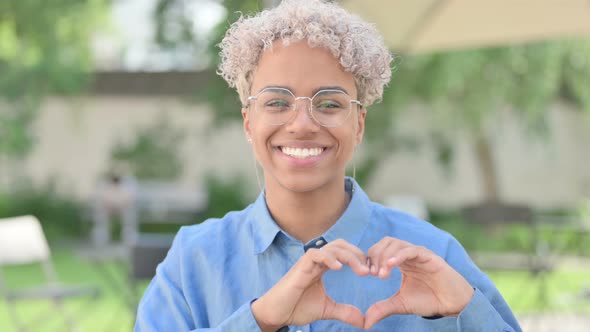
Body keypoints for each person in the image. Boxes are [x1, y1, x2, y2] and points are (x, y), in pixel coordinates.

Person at [135, 0, 521, 331]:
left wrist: (468, 312)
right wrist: (261, 319)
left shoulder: (436, 255)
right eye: (277, 101)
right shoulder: (193, 260)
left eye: (330, 103)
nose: (302, 124)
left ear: (359, 124)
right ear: (248, 122)